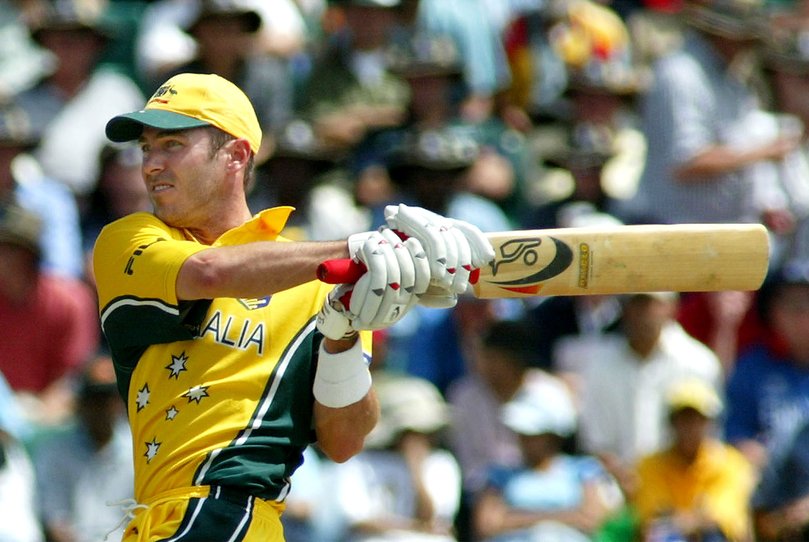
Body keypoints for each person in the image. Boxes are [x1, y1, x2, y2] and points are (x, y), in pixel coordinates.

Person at [93, 71, 493, 540]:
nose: (151, 165)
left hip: (244, 520)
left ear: (236, 155)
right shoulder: (130, 240)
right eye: (147, 148)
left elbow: (344, 440)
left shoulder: (318, 277)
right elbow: (210, 272)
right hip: (166, 521)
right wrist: (358, 248)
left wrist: (342, 339)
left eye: (172, 145)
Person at [628, 0, 798, 227]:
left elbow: (737, 140)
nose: (748, 46)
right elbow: (687, 163)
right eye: (744, 38)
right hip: (672, 230)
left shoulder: (732, 81)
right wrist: (764, 151)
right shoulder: (681, 75)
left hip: (719, 233)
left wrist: (765, 206)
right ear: (722, 34)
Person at [574, 292, 723, 498]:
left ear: (672, 306)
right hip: (614, 487)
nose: (643, 313)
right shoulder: (600, 364)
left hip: (683, 486)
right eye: (635, 304)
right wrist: (626, 479)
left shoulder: (699, 363)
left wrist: (656, 481)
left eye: (651, 304)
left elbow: (708, 439)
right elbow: (595, 441)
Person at [472, 374, 622, 542]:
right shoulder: (500, 474)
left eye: (533, 434)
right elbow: (487, 524)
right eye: (522, 433)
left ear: (553, 435)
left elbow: (592, 519)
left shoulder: (584, 469)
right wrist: (563, 517)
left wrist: (512, 518)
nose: (524, 439)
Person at [0, 200, 99, 426]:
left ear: (30, 254)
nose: (3, 259)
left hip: (52, 424)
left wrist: (34, 415)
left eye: (10, 249)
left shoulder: (69, 302)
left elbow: (73, 380)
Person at [331, 374, 461, 541]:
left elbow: (432, 518)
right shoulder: (359, 463)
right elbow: (358, 520)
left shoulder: (442, 463)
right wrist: (414, 527)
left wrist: (416, 471)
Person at [633, 378, 756, 542]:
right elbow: (653, 514)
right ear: (671, 423)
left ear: (710, 424)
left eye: (698, 420)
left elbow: (723, 515)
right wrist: (694, 518)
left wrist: (687, 520)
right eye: (683, 419)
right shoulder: (650, 465)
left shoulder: (730, 463)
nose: (690, 428)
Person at [33, 355, 134, 542]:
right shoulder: (56, 452)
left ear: (119, 402)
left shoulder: (138, 453)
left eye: (108, 398)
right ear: (82, 402)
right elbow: (55, 520)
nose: (102, 407)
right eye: (95, 398)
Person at [723, 258, 809, 471]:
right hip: (769, 491)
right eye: (791, 305)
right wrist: (746, 449)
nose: (802, 315)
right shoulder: (752, 368)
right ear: (772, 313)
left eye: (807, 303)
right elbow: (733, 432)